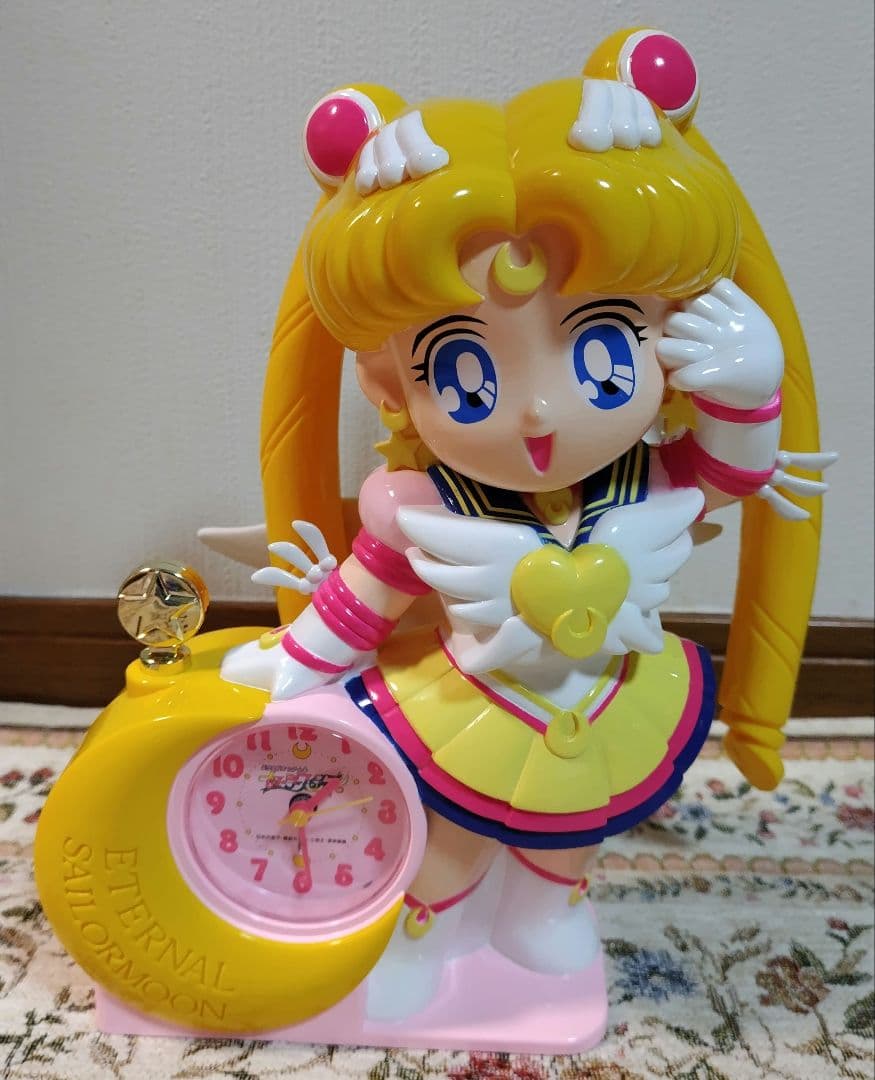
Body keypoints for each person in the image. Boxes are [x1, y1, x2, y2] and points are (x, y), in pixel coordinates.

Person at [218, 28, 835, 1020]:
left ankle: (542, 908)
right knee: (454, 829)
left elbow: (728, 472)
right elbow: (365, 597)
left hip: (611, 696)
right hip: (469, 703)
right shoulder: (421, 507)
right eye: (464, 371)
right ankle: (433, 925)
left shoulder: (643, 481)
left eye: (599, 350)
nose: (538, 412)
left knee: (575, 827)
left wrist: (750, 389)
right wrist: (295, 667)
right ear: (388, 383)